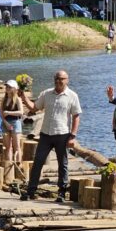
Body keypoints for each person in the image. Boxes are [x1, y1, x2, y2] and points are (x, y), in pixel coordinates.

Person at [22, 70, 81, 201]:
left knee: (62, 164)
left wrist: (73, 135)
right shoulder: (46, 93)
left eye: (61, 79)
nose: (58, 81)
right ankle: (31, 191)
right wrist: (24, 98)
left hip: (62, 134)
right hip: (46, 134)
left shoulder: (72, 96)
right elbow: (34, 108)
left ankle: (62, 193)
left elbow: (76, 116)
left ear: (67, 80)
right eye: (56, 78)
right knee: (37, 162)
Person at [1, 79, 25, 165]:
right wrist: (5, 122)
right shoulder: (4, 99)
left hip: (15, 122)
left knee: (17, 146)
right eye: (7, 86)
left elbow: (21, 112)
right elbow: (1, 113)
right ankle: (9, 165)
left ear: (14, 88)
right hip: (5, 123)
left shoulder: (17, 99)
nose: (7, 88)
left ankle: (18, 165)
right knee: (8, 147)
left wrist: (9, 112)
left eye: (9, 87)